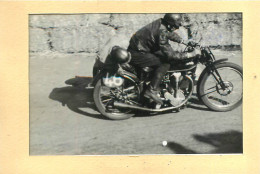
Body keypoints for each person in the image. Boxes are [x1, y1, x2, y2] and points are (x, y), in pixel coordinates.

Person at [127, 13, 201, 105]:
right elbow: (170, 55)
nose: (176, 29)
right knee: (165, 63)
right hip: (138, 53)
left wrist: (183, 41)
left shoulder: (162, 22)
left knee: (164, 59)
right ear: (170, 24)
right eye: (175, 27)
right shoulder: (162, 32)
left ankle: (162, 86)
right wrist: (190, 54)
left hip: (141, 47)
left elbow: (169, 33)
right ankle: (151, 90)